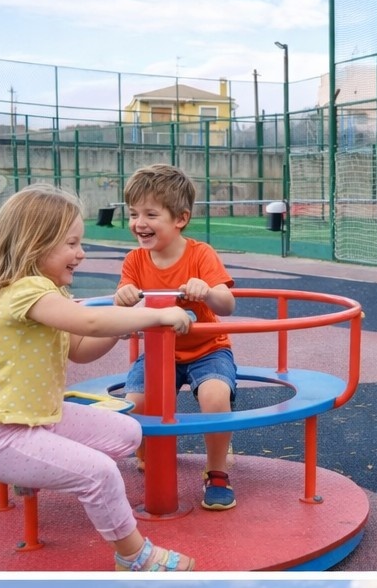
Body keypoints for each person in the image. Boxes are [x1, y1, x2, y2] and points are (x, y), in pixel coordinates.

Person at [0, 184, 195, 572]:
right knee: (99, 474)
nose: (81, 253)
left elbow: (80, 346)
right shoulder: (25, 290)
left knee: (127, 433)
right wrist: (156, 314)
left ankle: (33, 469)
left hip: (32, 416)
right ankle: (134, 556)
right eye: (72, 243)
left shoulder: (50, 293)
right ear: (34, 244)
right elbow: (89, 321)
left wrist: (128, 325)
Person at [115, 164, 238, 510]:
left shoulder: (200, 254)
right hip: (159, 350)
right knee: (135, 404)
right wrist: (123, 298)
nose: (139, 223)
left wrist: (207, 292)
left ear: (180, 219)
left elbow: (227, 304)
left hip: (207, 350)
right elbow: (122, 308)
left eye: (151, 214)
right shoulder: (135, 260)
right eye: (134, 214)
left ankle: (217, 471)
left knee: (215, 397)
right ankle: (147, 448)